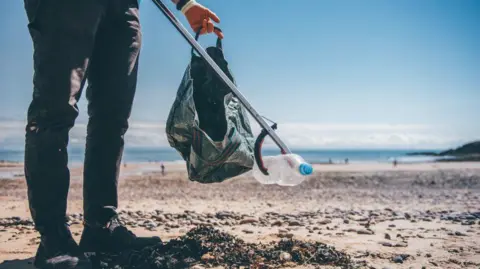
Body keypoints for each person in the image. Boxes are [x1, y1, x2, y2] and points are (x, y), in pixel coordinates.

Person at [22, 0, 222, 268]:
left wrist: (184, 4)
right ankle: (53, 239)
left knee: (112, 119)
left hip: (123, 7)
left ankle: (101, 227)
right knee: (54, 113)